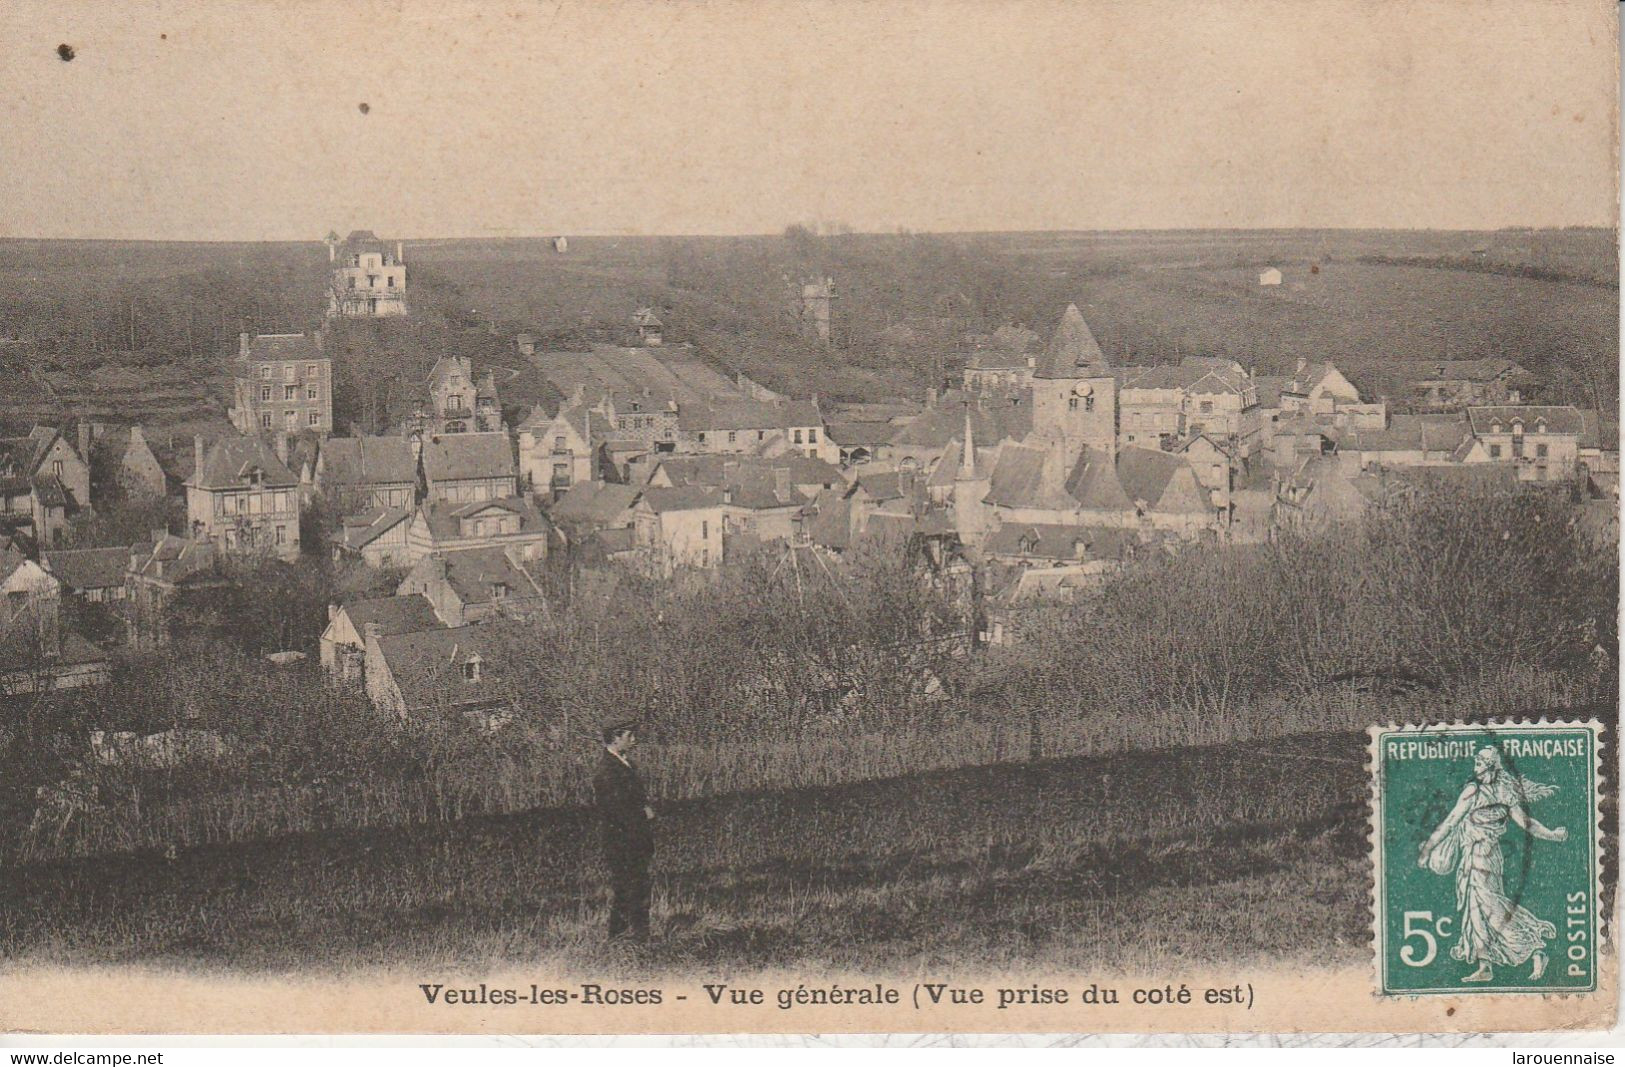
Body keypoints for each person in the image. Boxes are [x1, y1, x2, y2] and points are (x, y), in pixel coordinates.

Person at [1418, 745, 1567, 982]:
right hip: (1483, 855)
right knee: (1477, 909)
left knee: (1489, 907)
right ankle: (1485, 965)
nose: (1475, 767)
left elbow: (1450, 822)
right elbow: (1526, 823)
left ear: (1489, 767)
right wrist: (1552, 834)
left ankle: (1534, 946)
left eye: (1479, 763)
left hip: (1481, 856)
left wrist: (1427, 849)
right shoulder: (1501, 792)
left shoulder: (1475, 792)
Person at [593, 719, 655, 943]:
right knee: (628, 888)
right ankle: (627, 936)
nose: (634, 740)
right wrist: (642, 813)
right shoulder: (608, 771)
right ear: (616, 738)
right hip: (623, 841)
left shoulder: (624, 764)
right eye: (629, 736)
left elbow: (634, 798)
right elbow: (619, 810)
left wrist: (644, 807)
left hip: (632, 838)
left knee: (634, 886)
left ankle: (631, 936)